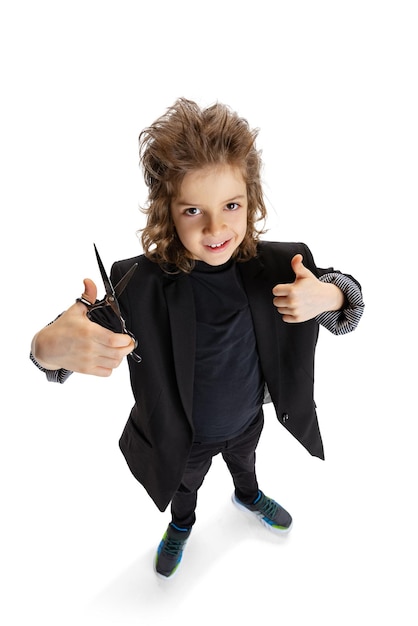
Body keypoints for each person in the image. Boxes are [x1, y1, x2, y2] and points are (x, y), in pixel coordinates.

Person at [30, 98, 365, 579]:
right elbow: (61, 353)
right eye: (193, 210)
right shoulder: (137, 284)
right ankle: (182, 525)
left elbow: (351, 303)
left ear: (251, 199)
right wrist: (48, 348)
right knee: (184, 488)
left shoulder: (283, 265)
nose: (215, 228)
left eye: (231, 205)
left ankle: (247, 495)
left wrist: (329, 297)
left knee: (246, 463)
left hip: (248, 417)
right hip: (185, 437)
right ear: (168, 212)